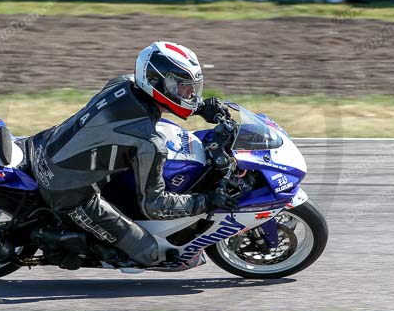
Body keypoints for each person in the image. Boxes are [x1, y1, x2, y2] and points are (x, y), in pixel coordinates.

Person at [30, 41, 238, 266]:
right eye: (183, 87)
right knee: (150, 252)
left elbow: (162, 100)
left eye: (192, 88)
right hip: (67, 190)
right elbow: (155, 205)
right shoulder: (148, 142)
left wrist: (200, 108)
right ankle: (67, 247)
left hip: (45, 145)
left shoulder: (124, 83)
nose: (189, 94)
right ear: (157, 82)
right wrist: (207, 201)